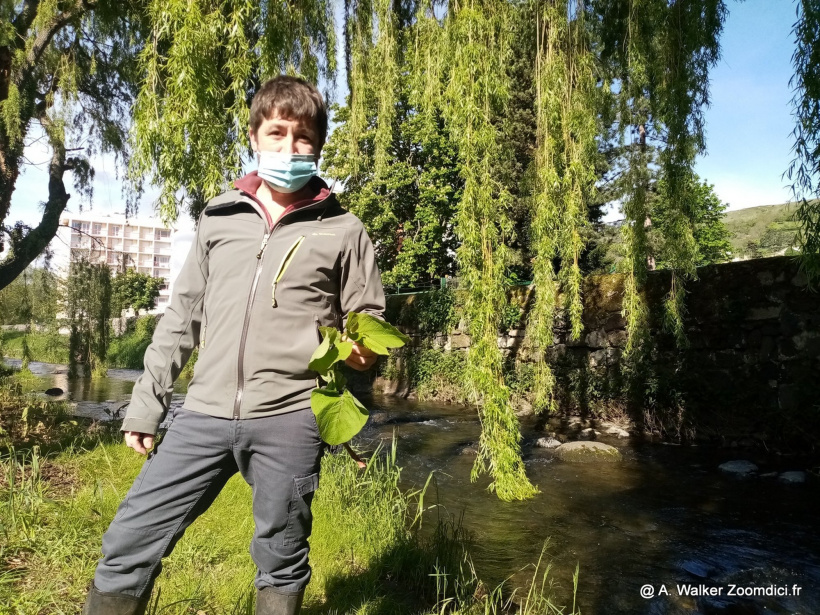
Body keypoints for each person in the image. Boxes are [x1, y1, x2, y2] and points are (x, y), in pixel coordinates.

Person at [82, 75, 385, 615]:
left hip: (291, 416)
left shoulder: (343, 228)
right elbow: (182, 316)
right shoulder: (219, 216)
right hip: (203, 411)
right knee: (128, 543)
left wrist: (363, 357)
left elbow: (368, 318)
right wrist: (146, 405)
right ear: (254, 136)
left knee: (282, 554)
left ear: (317, 146)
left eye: (303, 138)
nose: (289, 148)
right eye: (277, 133)